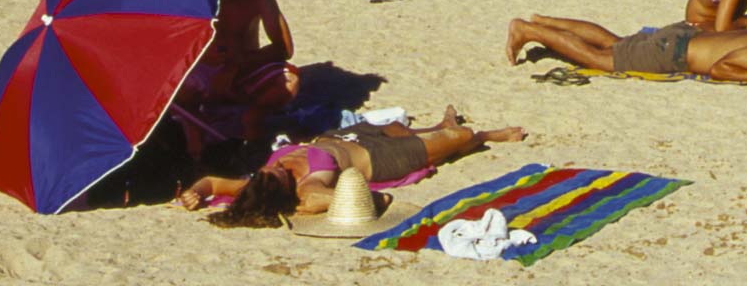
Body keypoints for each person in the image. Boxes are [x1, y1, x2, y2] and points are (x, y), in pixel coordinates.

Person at [176, 107, 525, 228]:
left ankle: (437, 127)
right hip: (383, 160)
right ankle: (485, 136)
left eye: (267, 169)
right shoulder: (308, 188)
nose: (276, 164)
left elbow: (212, 184)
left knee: (397, 128)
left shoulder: (257, 184)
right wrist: (313, 202)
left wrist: (195, 192)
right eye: (277, 172)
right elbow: (346, 198)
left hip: (344, 136)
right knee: (459, 136)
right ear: (283, 187)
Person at [176, 0, 299, 151]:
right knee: (174, 89)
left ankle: (252, 118)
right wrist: (202, 57)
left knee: (289, 82)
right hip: (202, 71)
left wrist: (236, 65)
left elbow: (284, 47)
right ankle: (197, 130)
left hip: (242, 70)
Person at [501, 15, 747, 83]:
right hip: (673, 54)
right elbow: (721, 69)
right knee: (600, 59)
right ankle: (529, 30)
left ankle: (546, 22)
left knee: (615, 42)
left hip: (681, 34)